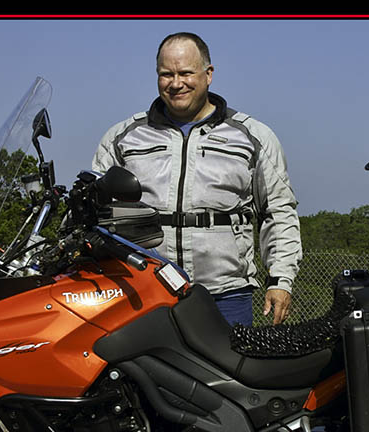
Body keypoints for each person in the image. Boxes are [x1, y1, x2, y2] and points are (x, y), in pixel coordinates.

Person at [92, 32, 302, 326]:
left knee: (228, 373)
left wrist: (280, 279)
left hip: (227, 295)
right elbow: (95, 209)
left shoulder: (252, 136)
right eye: (166, 74)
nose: (176, 83)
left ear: (208, 74)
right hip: (145, 293)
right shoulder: (123, 137)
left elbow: (278, 211)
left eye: (186, 72)